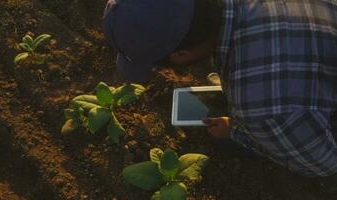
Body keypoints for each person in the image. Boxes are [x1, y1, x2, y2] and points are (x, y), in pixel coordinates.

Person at [102, 0, 337, 194]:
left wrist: (237, 131)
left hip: (319, 146)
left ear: (182, 54)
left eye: (159, 64)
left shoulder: (262, 109)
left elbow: (323, 163)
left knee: (227, 138)